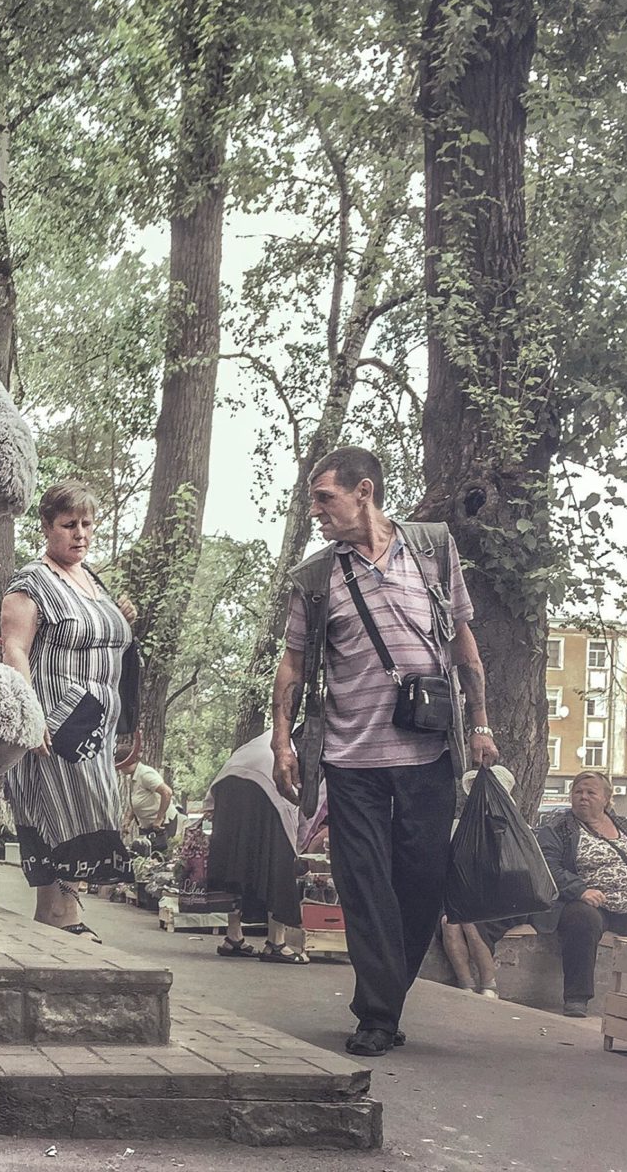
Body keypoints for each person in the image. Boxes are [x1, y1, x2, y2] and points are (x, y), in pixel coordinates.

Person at [269, 445, 499, 1056]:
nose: (315, 510)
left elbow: (462, 641)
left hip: (428, 752)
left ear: (363, 492)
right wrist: (282, 741)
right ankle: (377, 1013)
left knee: (422, 882)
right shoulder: (315, 579)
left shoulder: (432, 549)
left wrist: (482, 724)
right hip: (351, 758)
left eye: (325, 498)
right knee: (363, 883)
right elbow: (293, 663)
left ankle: (386, 999)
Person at [0, 482, 135, 940]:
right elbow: (15, 650)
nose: (80, 534)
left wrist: (121, 616)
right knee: (62, 818)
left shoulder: (94, 580)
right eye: (68, 524)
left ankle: (59, 923)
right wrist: (29, 713)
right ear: (46, 527)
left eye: (87, 524)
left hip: (99, 725)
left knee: (90, 815)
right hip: (57, 722)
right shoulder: (31, 582)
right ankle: (62, 924)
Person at [534, 770, 627, 1016]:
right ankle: (577, 998)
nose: (583, 797)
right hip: (589, 902)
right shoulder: (558, 827)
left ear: (606, 798)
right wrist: (580, 890)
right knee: (583, 920)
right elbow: (547, 866)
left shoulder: (625, 827)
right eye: (578, 792)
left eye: (591, 792)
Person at [206, 731, 311, 964]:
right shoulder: (314, 747)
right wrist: (299, 852)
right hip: (268, 782)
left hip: (227, 781)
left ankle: (233, 938)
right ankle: (276, 943)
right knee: (278, 861)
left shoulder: (275, 734)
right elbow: (307, 809)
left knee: (236, 860)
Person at [120, 756, 179, 849]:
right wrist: (128, 819)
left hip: (162, 825)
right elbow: (138, 801)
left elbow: (167, 792)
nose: (120, 770)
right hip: (148, 827)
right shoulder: (134, 777)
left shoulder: (145, 774)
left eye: (121, 766)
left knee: (161, 854)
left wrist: (159, 818)